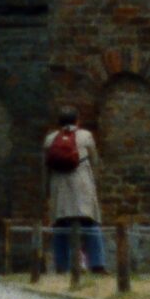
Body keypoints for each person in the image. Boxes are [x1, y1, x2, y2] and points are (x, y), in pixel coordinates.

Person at [43, 105, 105, 274]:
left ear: (59, 122)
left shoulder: (50, 139)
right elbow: (95, 161)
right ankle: (97, 264)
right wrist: (95, 182)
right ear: (77, 120)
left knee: (60, 226)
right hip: (82, 186)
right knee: (90, 224)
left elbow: (46, 168)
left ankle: (61, 266)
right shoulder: (86, 136)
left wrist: (47, 191)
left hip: (59, 187)